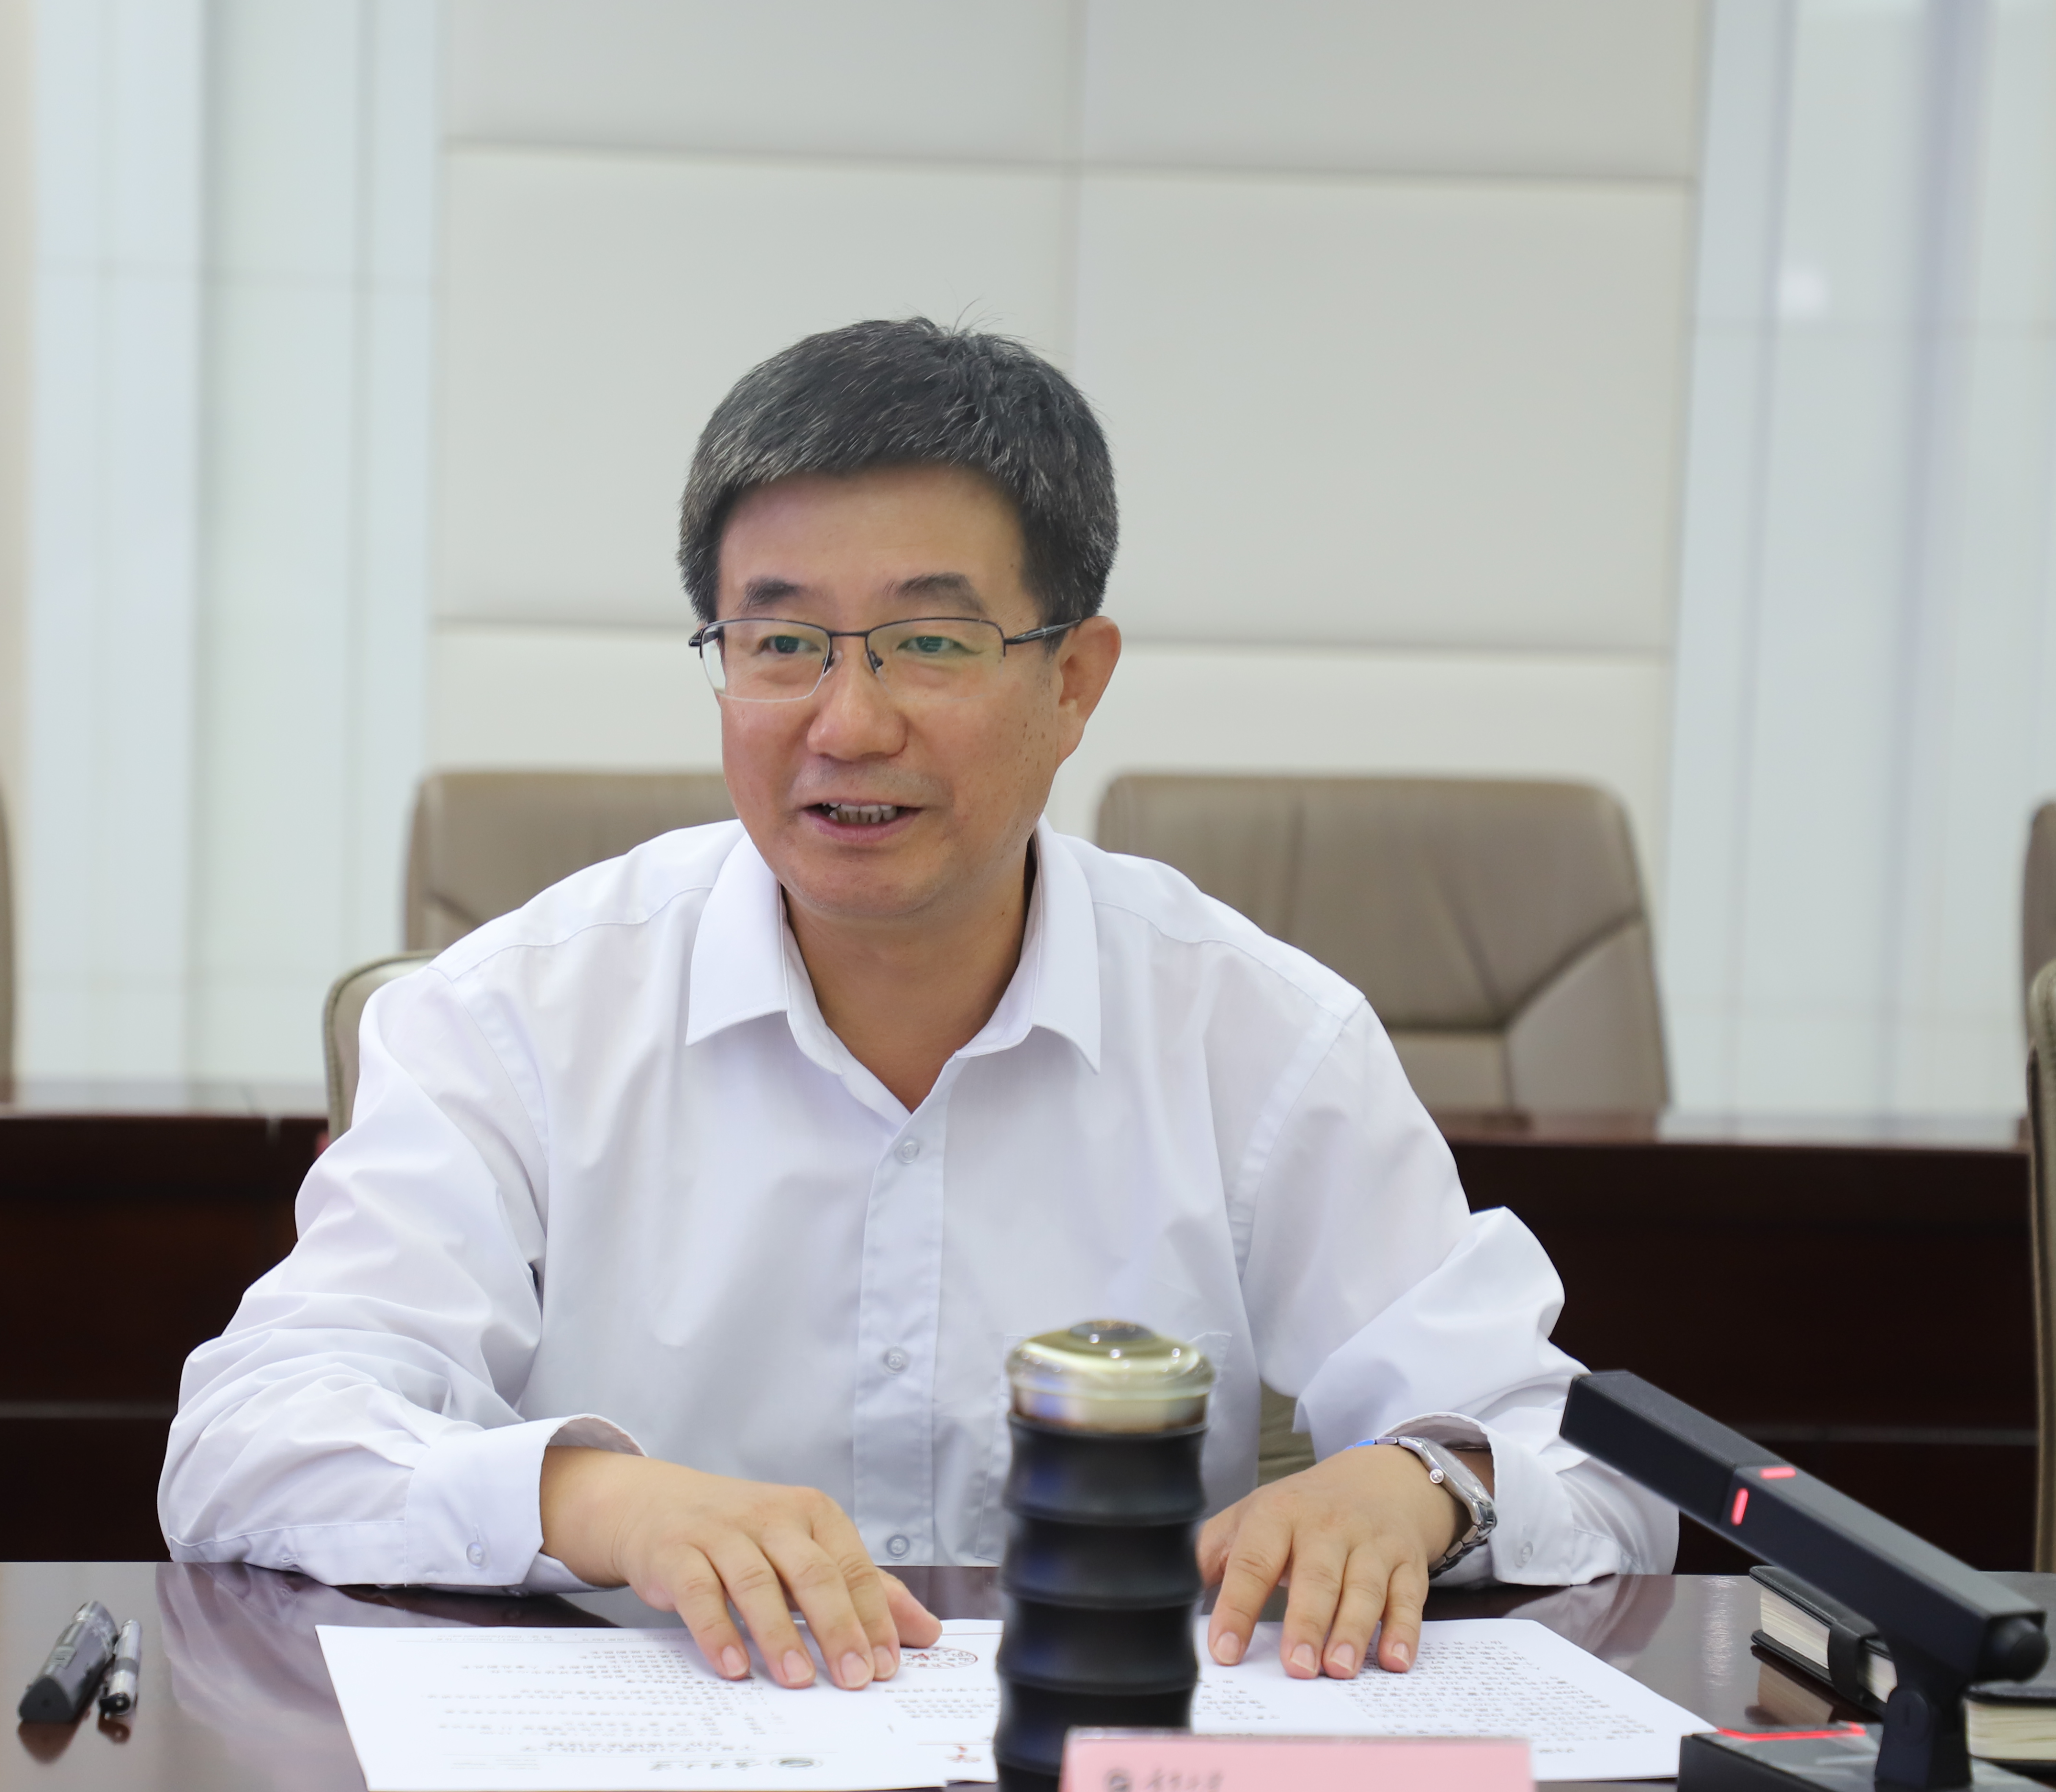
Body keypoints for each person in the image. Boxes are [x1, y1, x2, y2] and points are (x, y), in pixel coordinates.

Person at [160, 317, 1674, 1698]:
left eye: (931, 644)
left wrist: (1425, 1486)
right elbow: (251, 1437)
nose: (849, 720)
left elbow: (1593, 1467)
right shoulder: (514, 1017)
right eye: (781, 644)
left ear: (1075, 682)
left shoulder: (1257, 1033)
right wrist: (604, 1503)